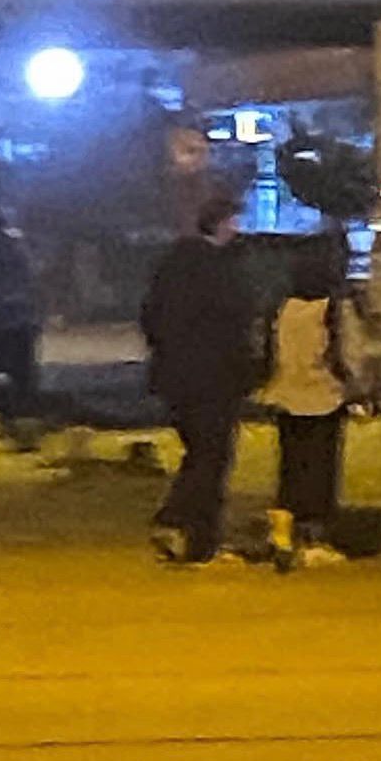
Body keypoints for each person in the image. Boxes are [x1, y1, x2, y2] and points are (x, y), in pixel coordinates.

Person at [140, 193, 256, 565]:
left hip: (175, 377)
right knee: (212, 456)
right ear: (222, 224)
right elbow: (234, 323)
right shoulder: (218, 271)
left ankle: (195, 537)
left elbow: (151, 317)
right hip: (214, 378)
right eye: (234, 222)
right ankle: (181, 523)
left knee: (200, 452)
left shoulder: (173, 266)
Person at [261, 231, 368, 568]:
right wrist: (359, 389)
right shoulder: (334, 306)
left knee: (291, 467)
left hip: (285, 394)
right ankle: (313, 538)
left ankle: (281, 532)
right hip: (323, 396)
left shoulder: (284, 304)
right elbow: (350, 353)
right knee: (320, 470)